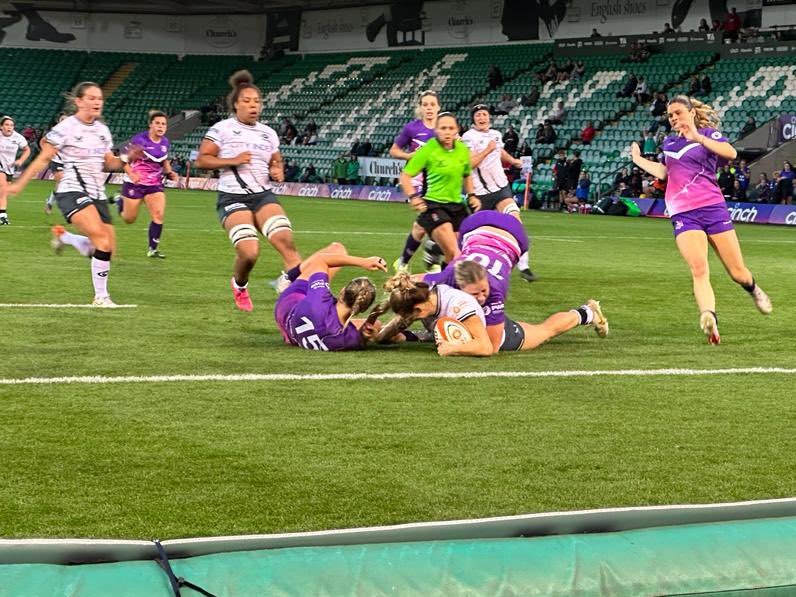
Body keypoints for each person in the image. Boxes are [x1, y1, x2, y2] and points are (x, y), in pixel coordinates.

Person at [630, 95, 772, 344]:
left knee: (737, 272)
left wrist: (698, 137)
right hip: (683, 213)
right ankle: (709, 317)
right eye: (670, 115)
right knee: (699, 268)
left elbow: (731, 152)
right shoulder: (670, 143)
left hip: (712, 208)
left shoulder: (708, 135)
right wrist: (639, 160)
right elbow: (666, 172)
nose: (673, 118)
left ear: (691, 112)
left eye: (677, 113)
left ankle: (753, 288)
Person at [8, 82, 131, 307]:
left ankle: (66, 238)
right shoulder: (66, 128)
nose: (97, 102)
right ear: (79, 102)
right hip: (71, 190)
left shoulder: (103, 130)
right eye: (92, 98)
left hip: (98, 194)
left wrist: (126, 159)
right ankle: (101, 297)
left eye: (100, 98)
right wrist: (18, 184)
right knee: (102, 240)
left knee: (107, 250)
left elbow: (109, 162)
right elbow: (44, 158)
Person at [194, 70, 301, 312]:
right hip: (232, 197)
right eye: (247, 101)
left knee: (287, 242)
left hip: (262, 195)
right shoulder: (222, 129)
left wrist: (278, 171)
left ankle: (293, 297)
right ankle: (239, 285)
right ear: (235, 104)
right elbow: (202, 160)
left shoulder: (268, 133)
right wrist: (232, 160)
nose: (253, 106)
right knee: (249, 252)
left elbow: (276, 161)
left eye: (256, 101)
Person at [462, 104, 537, 282]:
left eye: (484, 115)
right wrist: (487, 150)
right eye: (478, 115)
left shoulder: (496, 134)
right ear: (474, 119)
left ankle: (524, 267)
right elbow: (469, 164)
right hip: (479, 193)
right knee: (474, 233)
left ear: (489, 118)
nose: (482, 118)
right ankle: (448, 255)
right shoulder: (468, 137)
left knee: (515, 220)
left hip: (501, 188)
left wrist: (514, 161)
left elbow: (500, 151)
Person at [274, 242, 389, 351]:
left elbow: (320, 260)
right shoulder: (350, 339)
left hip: (286, 307)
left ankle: (288, 278)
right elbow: (366, 334)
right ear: (362, 309)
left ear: (342, 291)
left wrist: (363, 262)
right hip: (294, 334)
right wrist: (373, 325)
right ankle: (406, 335)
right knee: (377, 326)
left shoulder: (320, 299)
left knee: (338, 249)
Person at [399, 111, 479, 266]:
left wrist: (472, 195)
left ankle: (442, 282)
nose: (447, 132)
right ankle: (404, 264)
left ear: (457, 130)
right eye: (443, 128)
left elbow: (467, 173)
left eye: (451, 128)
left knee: (452, 252)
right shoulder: (428, 149)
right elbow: (405, 176)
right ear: (436, 130)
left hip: (457, 206)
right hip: (433, 206)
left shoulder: (462, 150)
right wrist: (414, 197)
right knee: (456, 252)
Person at [390, 90, 443, 274]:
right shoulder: (412, 128)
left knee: (426, 224)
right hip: (418, 181)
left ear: (439, 107)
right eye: (425, 105)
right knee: (432, 218)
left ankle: (410, 260)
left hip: (440, 181)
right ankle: (431, 258)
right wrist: (409, 155)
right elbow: (394, 150)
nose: (429, 108)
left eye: (432, 104)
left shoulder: (445, 127)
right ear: (420, 108)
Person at [114, 110, 179, 259]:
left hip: (154, 184)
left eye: (163, 124)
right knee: (128, 219)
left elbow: (164, 159)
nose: (160, 126)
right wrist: (131, 174)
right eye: (157, 123)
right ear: (150, 125)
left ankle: (153, 249)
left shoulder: (165, 142)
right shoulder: (140, 140)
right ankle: (119, 201)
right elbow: (123, 159)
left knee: (158, 214)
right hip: (135, 184)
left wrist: (169, 172)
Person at [0, 116, 31, 225]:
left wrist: (21, 160)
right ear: (1, 126)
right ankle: (3, 215)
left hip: (9, 167)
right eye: (7, 125)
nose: (9, 127)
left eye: (11, 125)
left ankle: (2, 216)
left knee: (3, 192)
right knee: (2, 186)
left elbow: (27, 150)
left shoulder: (18, 137)